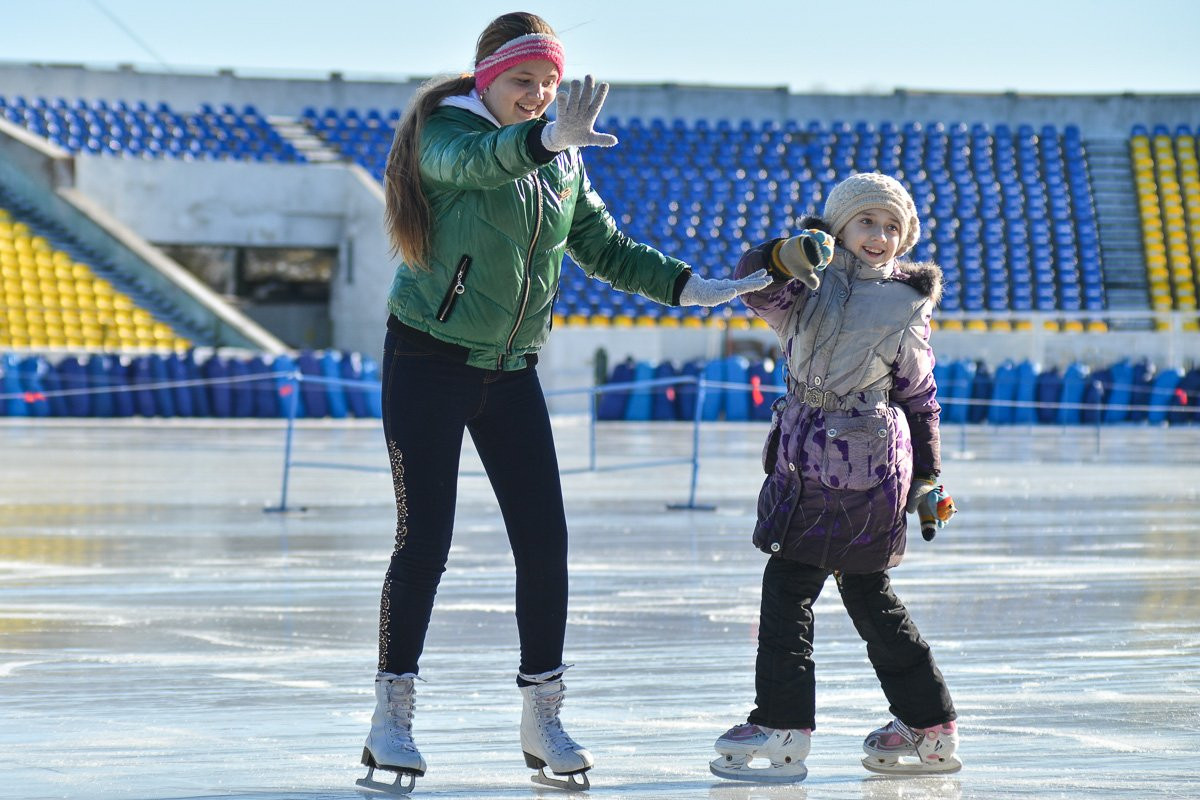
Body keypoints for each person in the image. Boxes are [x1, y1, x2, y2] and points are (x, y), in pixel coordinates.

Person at [357, 11, 771, 795]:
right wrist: (544, 142)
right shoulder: (446, 132)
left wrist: (693, 287)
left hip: (512, 370)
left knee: (545, 543)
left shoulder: (558, 160)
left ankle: (541, 714)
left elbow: (606, 246)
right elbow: (476, 166)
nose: (539, 96)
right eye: (524, 82)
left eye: (549, 85)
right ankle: (392, 714)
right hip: (428, 358)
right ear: (487, 79)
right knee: (425, 541)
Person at [708, 172, 960, 783]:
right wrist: (780, 255)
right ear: (838, 227)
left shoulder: (904, 305)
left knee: (800, 586)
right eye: (867, 222)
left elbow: (920, 399)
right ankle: (928, 726)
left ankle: (784, 726)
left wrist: (928, 479)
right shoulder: (805, 287)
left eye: (892, 227)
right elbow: (751, 285)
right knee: (859, 593)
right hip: (803, 460)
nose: (880, 236)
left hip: (864, 467)